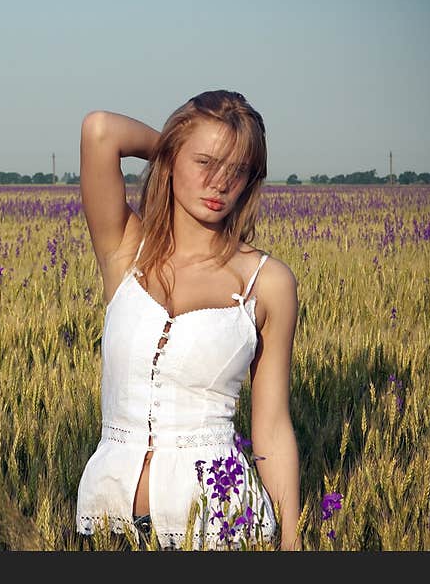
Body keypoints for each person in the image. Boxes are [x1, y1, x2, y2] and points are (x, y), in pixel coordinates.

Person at [75, 90, 300, 551]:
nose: (219, 183)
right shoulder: (125, 251)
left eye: (237, 170)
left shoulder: (268, 281)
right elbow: (100, 130)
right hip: (104, 520)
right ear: (173, 157)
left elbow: (273, 425)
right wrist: (174, 150)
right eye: (205, 163)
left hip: (221, 527)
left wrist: (292, 541)